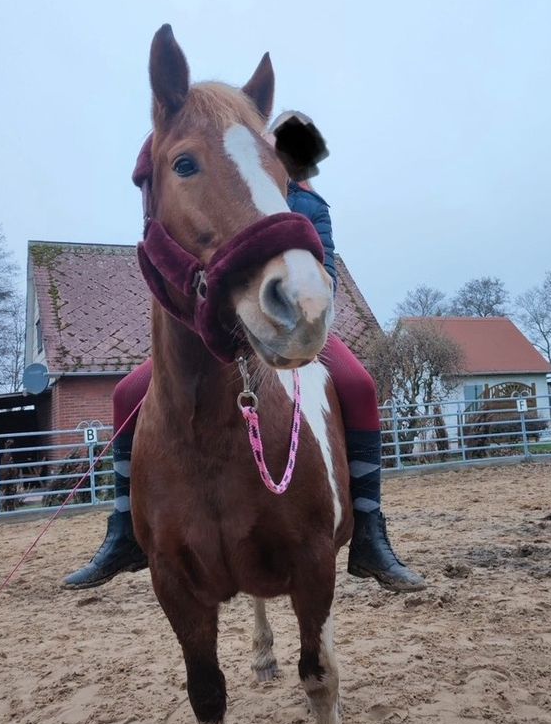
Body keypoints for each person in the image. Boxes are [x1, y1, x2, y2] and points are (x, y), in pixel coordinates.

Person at [62, 116, 426, 593]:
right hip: (217, 322)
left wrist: (307, 304)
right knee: (128, 391)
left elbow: (326, 267)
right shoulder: (232, 185)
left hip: (289, 318)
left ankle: (370, 529)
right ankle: (124, 528)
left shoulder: (312, 206)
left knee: (359, 385)